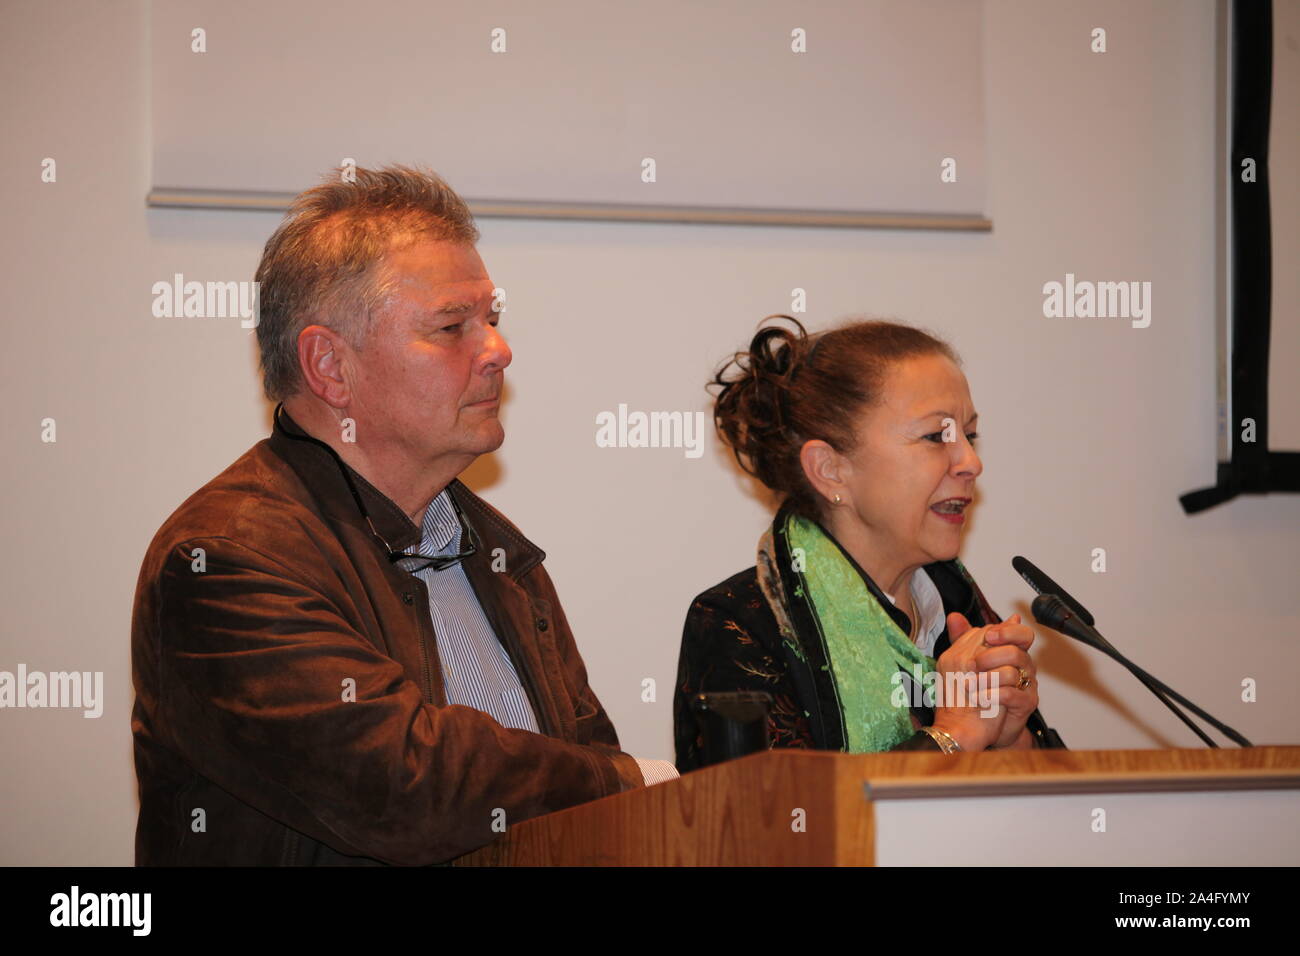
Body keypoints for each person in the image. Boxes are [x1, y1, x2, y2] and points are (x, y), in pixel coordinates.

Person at [131, 165, 677, 866]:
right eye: (452, 327)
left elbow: (585, 800)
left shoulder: (500, 559)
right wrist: (629, 779)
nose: (499, 351)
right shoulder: (224, 559)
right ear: (330, 366)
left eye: (493, 320)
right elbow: (400, 785)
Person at [674, 316, 1065, 771]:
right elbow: (769, 830)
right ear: (830, 469)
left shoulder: (963, 611)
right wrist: (951, 736)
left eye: (970, 435)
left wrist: (1010, 738)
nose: (971, 462)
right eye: (937, 436)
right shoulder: (743, 623)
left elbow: (1056, 829)